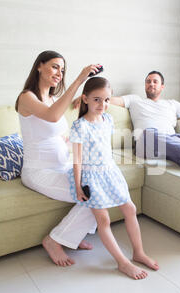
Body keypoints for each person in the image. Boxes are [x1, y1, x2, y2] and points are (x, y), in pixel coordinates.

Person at [16, 50, 102, 267]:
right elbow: (52, 115)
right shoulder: (26, 97)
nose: (59, 73)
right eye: (55, 66)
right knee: (94, 196)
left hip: (62, 164)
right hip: (39, 172)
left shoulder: (53, 98)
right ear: (39, 66)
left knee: (102, 186)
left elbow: (55, 129)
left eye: (62, 70)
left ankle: (74, 235)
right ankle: (54, 241)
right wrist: (80, 78)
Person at [75, 71, 180, 185]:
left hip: (172, 142)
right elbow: (109, 99)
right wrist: (84, 99)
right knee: (148, 134)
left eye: (155, 81)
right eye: (148, 81)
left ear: (162, 87)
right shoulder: (135, 99)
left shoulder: (172, 104)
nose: (151, 84)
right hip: (146, 143)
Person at [68, 77, 158, 280]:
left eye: (107, 100)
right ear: (85, 99)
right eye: (97, 99)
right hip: (91, 177)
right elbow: (77, 159)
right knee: (104, 219)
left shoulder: (108, 119)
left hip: (110, 172)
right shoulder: (80, 126)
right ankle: (122, 262)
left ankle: (138, 252)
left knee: (130, 209)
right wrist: (78, 186)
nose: (103, 105)